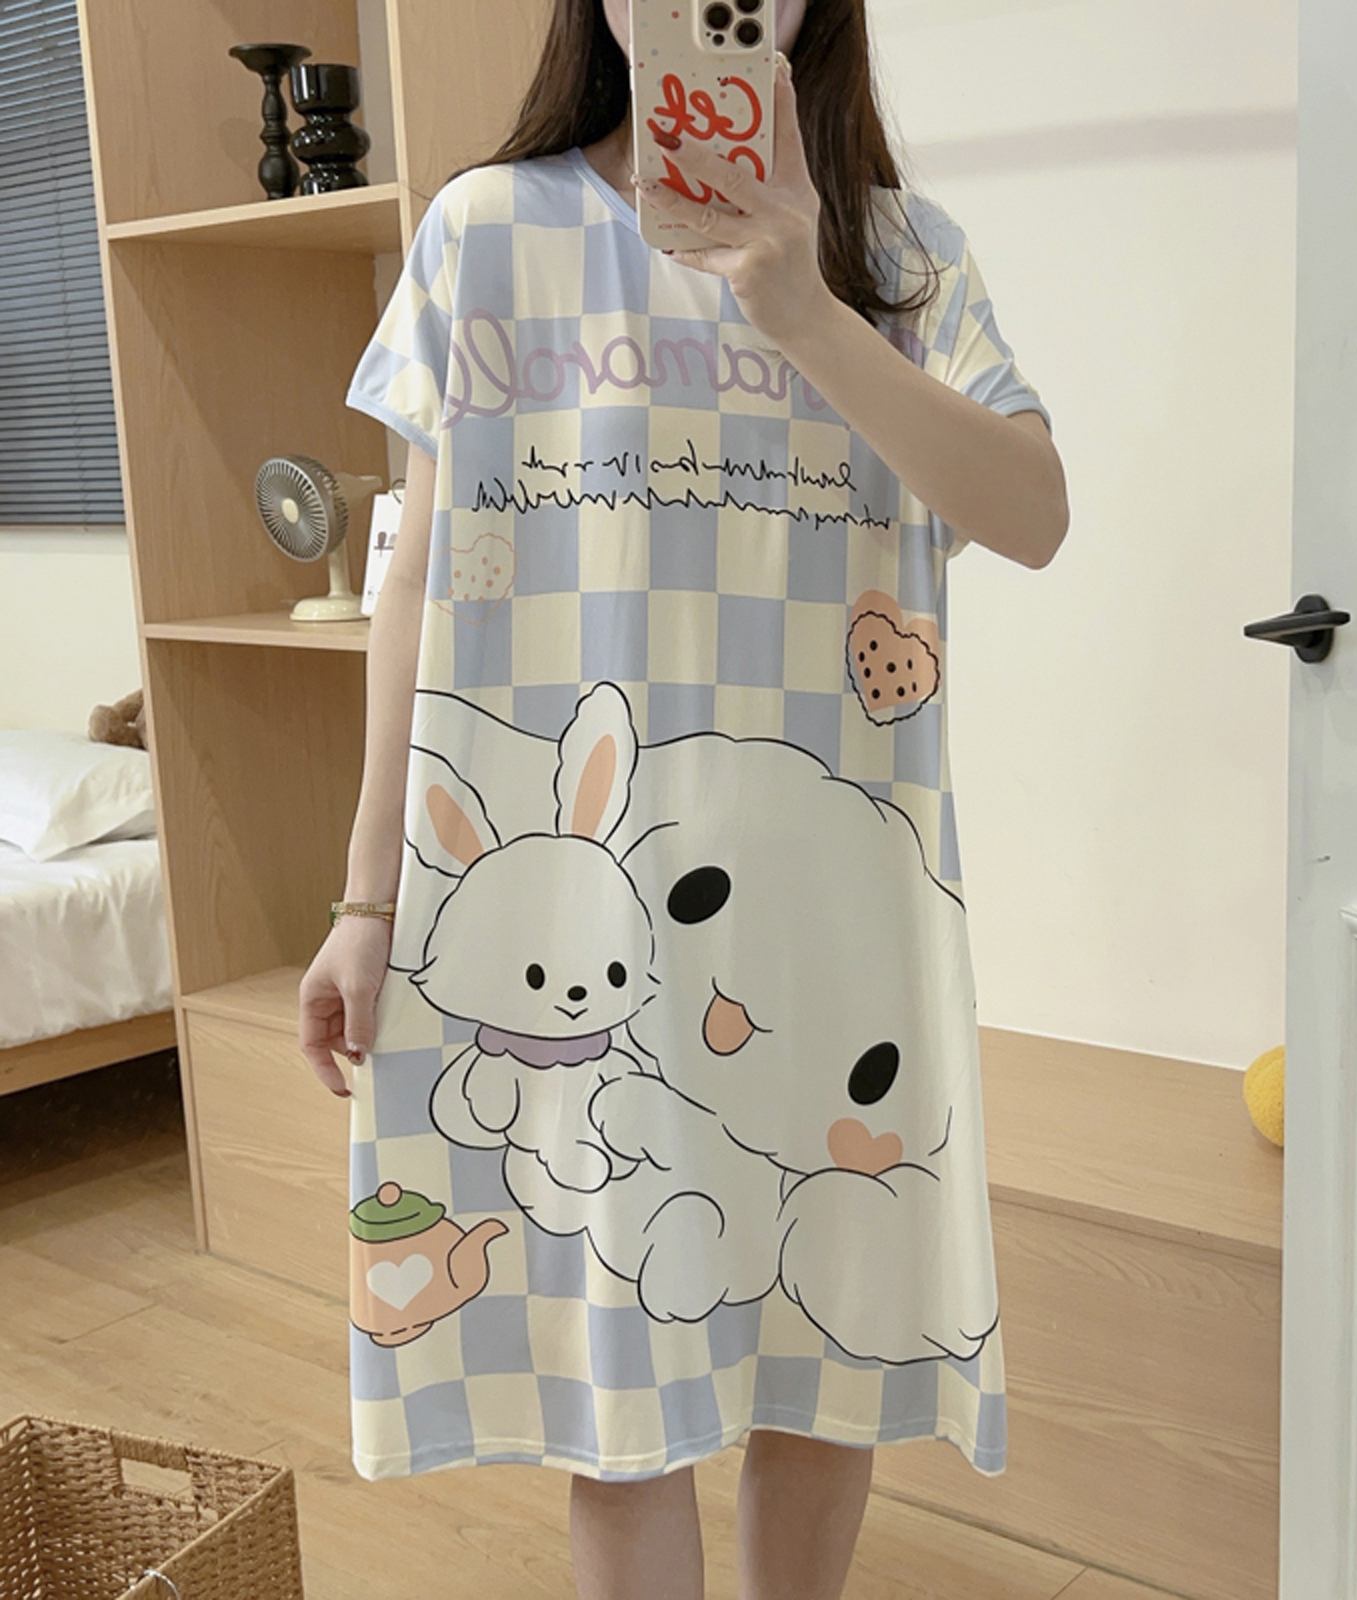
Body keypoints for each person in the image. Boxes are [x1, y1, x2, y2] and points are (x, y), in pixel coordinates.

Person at [299, 0, 1068, 1594]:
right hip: (574, 910)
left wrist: (806, 309)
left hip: (828, 919)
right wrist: (369, 899)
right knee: (622, 1405)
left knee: (822, 1358)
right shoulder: (487, 232)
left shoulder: (901, 254)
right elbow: (416, 579)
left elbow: (1032, 513)